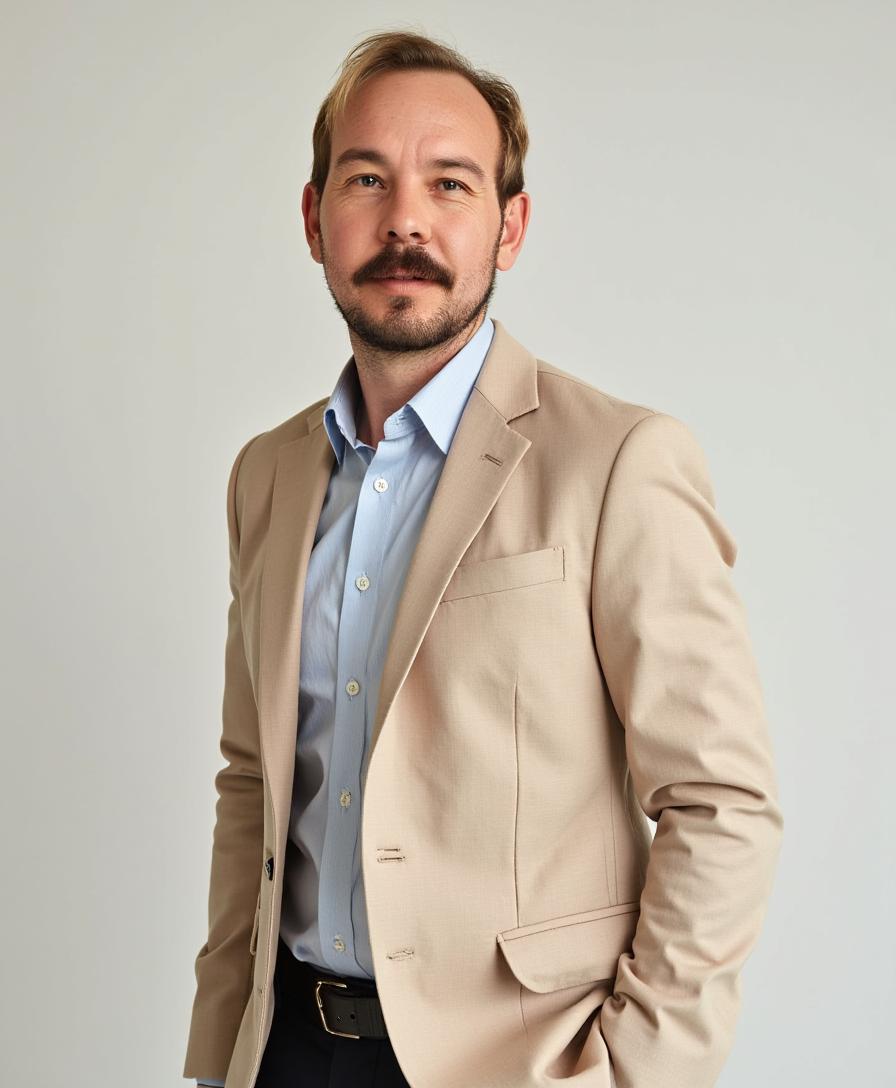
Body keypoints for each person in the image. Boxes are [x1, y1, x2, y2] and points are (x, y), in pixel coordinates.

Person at [182, 29, 783, 1088]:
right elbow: (252, 783)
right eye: (366, 179)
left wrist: (631, 1071)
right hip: (283, 1050)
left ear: (508, 226)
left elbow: (719, 803)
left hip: (518, 1061)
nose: (404, 217)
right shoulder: (265, 475)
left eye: (448, 182)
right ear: (315, 219)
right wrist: (218, 1049)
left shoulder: (616, 462)